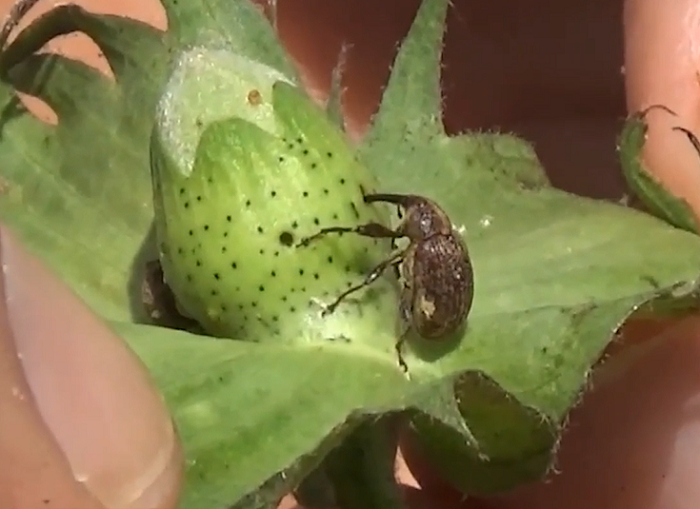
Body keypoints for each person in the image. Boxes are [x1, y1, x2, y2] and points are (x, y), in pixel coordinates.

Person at [2, 0, 700, 507]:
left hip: (426, 320)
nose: (401, 215)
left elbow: (405, 265)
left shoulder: (420, 247)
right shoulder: (423, 235)